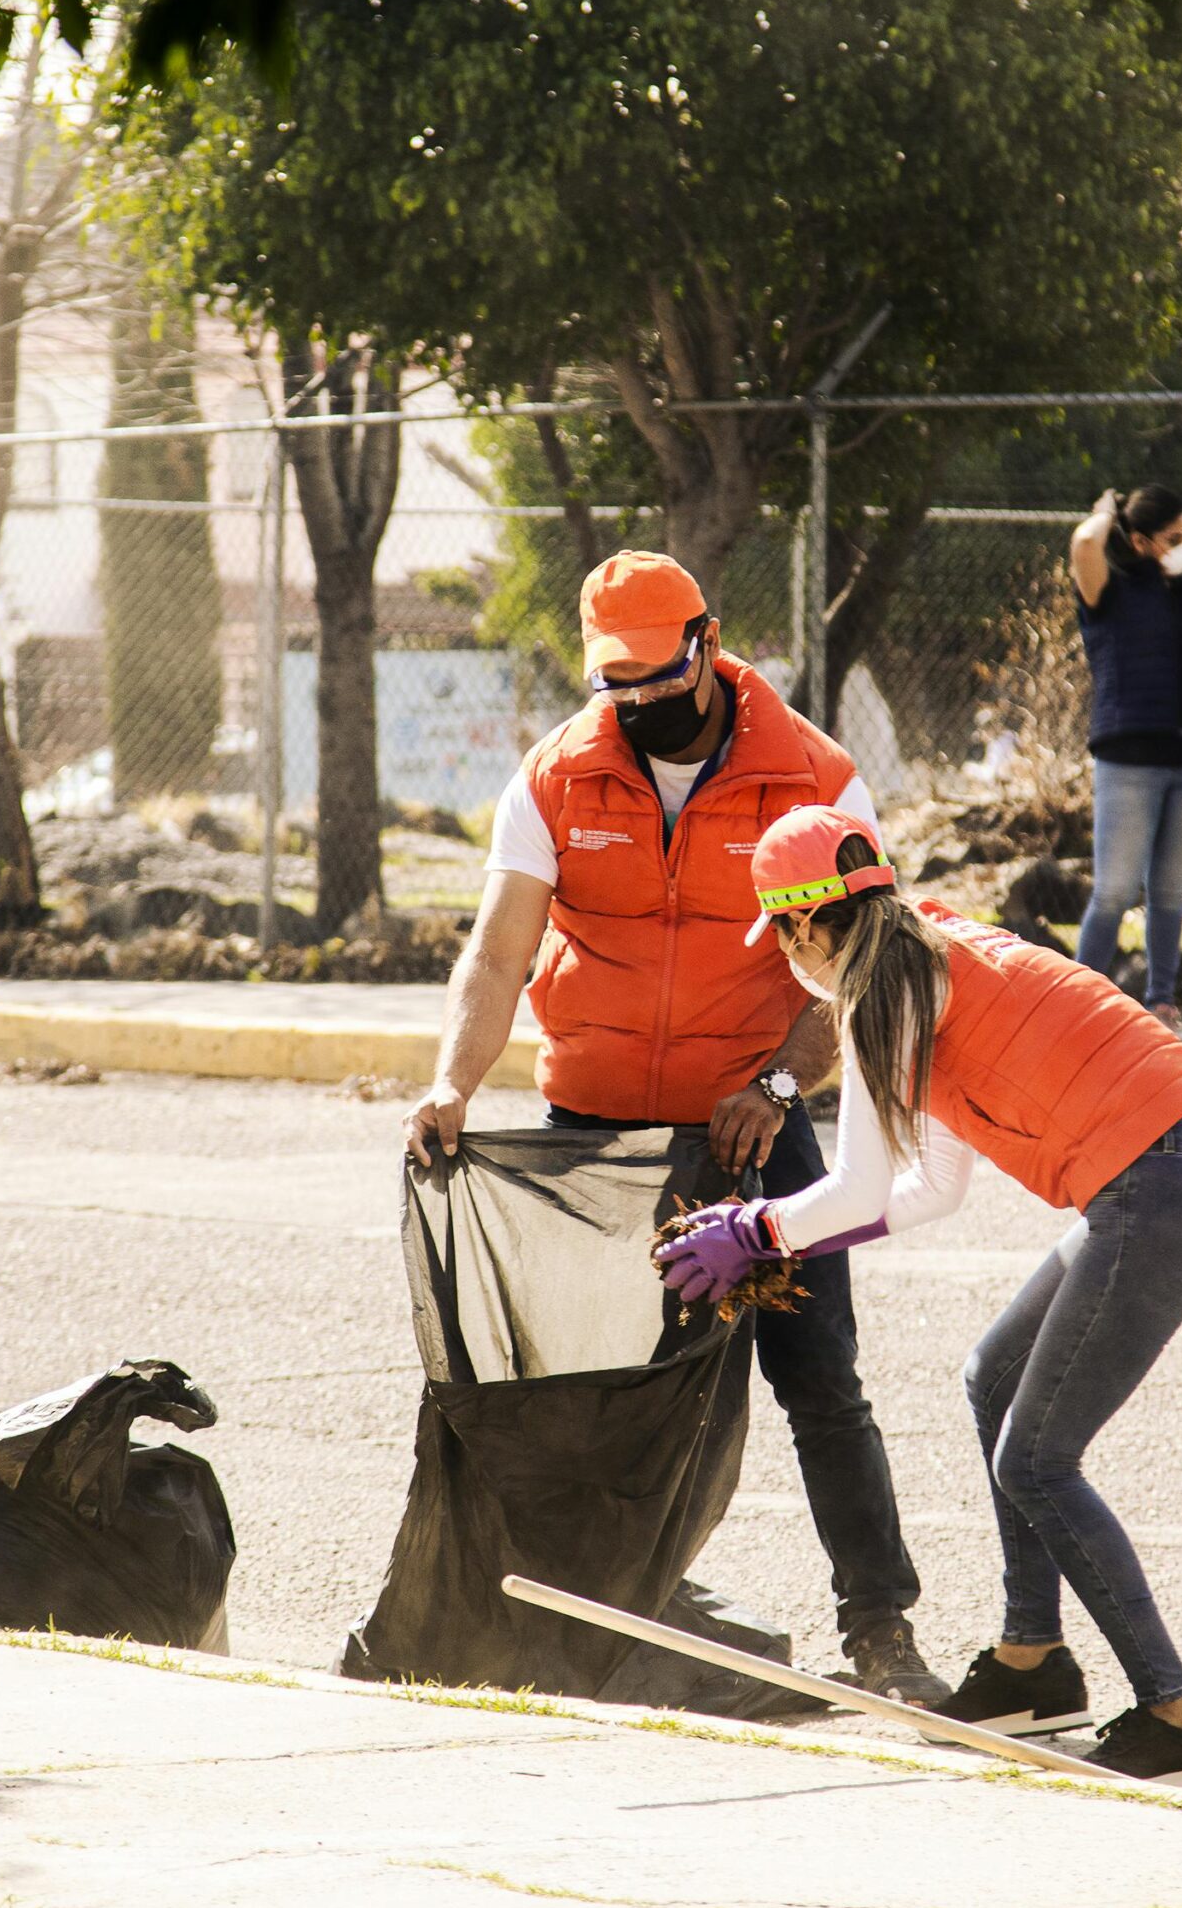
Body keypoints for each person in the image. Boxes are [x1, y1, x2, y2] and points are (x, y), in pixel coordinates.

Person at [405, 549, 948, 1707]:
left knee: (821, 1382)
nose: (639, 700)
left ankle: (882, 1629)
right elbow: (499, 951)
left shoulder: (812, 774)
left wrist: (777, 1084)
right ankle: (617, 1609)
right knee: (597, 1393)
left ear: (706, 643)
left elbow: (855, 967)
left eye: (657, 674)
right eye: (617, 682)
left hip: (755, 1127)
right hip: (595, 1129)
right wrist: (454, 1081)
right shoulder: (555, 776)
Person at [656, 803, 1182, 1787]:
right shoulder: (925, 963)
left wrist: (756, 1230)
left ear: (806, 925)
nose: (782, 955)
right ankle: (1035, 1662)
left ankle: (1177, 1716)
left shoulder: (881, 994)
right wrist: (771, 1237)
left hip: (1164, 1184)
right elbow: (927, 1188)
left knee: (1038, 1458)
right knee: (995, 1377)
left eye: (778, 934)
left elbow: (854, 1189)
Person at [1070, 484, 1182, 1027]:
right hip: (1131, 758)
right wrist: (1106, 513)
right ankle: (1075, 1006)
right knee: (1115, 888)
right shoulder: (1109, 592)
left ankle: (1160, 1002)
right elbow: (1084, 548)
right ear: (1140, 541)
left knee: (1171, 889)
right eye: (1173, 538)